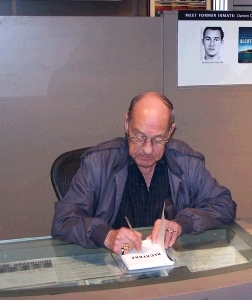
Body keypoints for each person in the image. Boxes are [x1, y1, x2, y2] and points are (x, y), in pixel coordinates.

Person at [52, 91, 236, 255]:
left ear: (171, 131)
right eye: (139, 137)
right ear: (126, 124)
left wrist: (182, 224)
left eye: (158, 139)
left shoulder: (186, 162)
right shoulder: (98, 163)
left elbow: (224, 205)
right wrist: (106, 236)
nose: (147, 150)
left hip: (169, 266)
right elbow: (64, 220)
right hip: (112, 267)